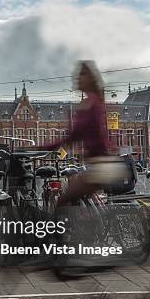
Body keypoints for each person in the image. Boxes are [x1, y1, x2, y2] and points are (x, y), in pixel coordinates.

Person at [43, 60, 125, 207]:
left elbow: (73, 136)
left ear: (88, 79)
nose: (76, 78)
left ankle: (58, 229)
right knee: (77, 201)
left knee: (62, 201)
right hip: (101, 164)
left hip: (100, 166)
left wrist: (42, 148)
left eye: (80, 75)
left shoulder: (90, 105)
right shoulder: (92, 103)